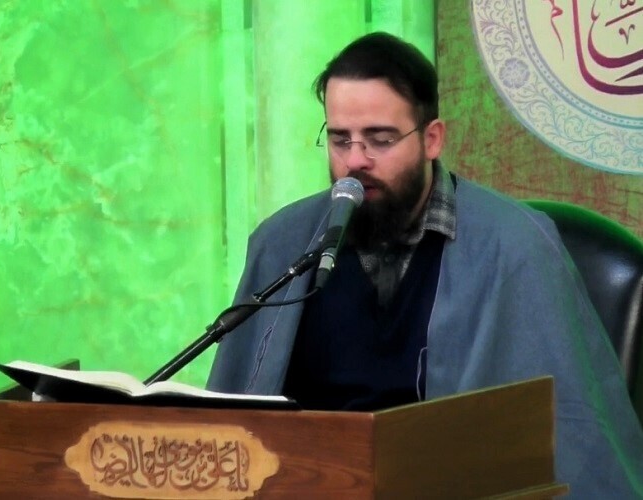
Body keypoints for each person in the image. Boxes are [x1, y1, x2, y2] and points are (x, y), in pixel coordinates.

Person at [207, 32, 643, 497]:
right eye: (339, 140)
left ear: (432, 139)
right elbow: (230, 431)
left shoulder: (516, 245)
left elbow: (573, 434)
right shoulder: (283, 244)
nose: (355, 161)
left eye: (380, 140)